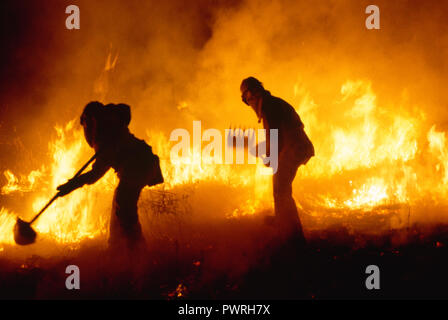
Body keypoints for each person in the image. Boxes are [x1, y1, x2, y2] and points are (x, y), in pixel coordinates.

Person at [57, 101, 163, 251]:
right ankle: (117, 248)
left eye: (85, 124)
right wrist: (72, 184)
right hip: (139, 165)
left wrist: (71, 185)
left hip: (139, 166)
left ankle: (137, 251)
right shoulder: (109, 130)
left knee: (124, 205)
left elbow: (95, 175)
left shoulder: (104, 135)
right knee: (118, 206)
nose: (85, 130)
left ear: (91, 121)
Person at [240, 77, 314, 245]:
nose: (249, 105)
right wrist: (250, 146)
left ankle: (292, 235)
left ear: (250, 93)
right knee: (280, 187)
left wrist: (267, 155)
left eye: (246, 100)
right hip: (295, 147)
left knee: (281, 189)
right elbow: (273, 139)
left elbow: (275, 139)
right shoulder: (270, 103)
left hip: (294, 148)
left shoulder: (268, 106)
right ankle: (285, 223)